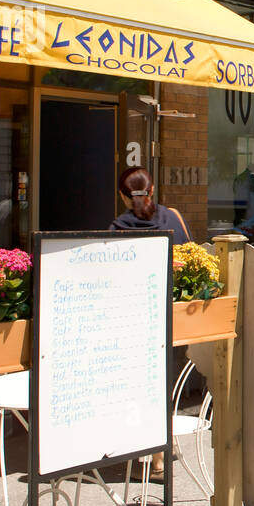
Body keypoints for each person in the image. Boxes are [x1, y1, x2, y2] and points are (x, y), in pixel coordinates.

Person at [110, 166, 191, 480]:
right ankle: (165, 441)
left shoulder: (118, 228)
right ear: (153, 189)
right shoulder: (173, 217)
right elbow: (191, 254)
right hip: (173, 315)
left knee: (143, 386)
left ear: (122, 195)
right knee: (164, 381)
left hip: (136, 317)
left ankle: (157, 460)